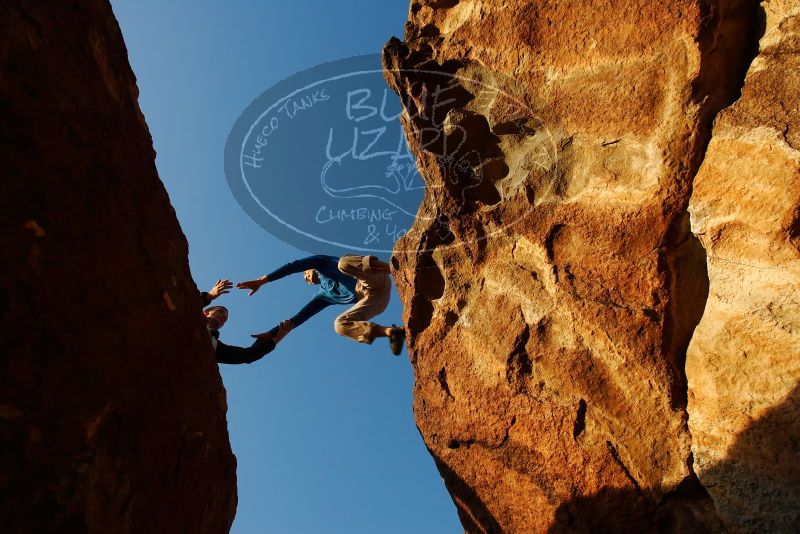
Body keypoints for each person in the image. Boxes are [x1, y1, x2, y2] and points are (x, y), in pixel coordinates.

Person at [236, 255, 406, 355]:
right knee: (339, 325)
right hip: (373, 299)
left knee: (343, 263)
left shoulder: (322, 263)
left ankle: (396, 269)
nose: (306, 277)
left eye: (306, 274)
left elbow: (292, 266)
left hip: (374, 277)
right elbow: (301, 317)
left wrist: (262, 281)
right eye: (306, 279)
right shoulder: (323, 295)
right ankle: (393, 332)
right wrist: (272, 333)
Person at [202, 278, 292, 364]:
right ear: (205, 312)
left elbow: (247, 355)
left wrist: (276, 339)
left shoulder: (214, 345)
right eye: (220, 312)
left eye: (225, 319)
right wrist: (209, 296)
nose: (222, 317)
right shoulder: (191, 311)